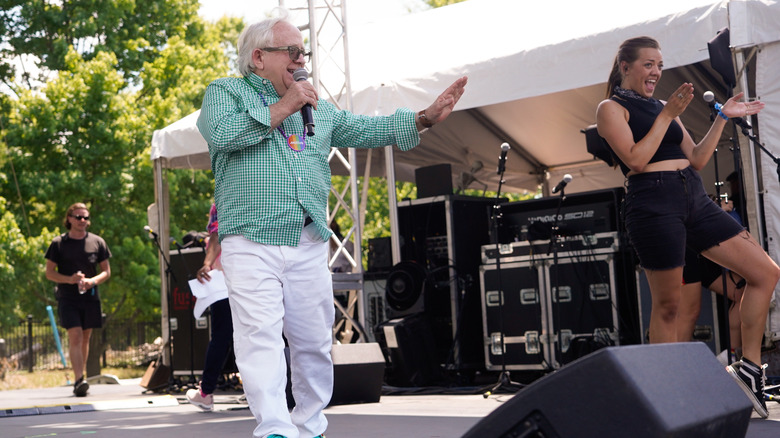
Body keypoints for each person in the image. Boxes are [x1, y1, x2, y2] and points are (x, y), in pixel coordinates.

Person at [196, 7, 467, 438]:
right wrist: (286, 106)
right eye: (291, 51)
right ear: (258, 58)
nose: (301, 60)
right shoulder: (226, 92)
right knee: (259, 337)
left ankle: (310, 424)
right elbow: (223, 134)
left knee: (313, 341)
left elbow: (363, 129)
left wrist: (422, 119)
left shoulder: (315, 106)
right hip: (250, 240)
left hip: (306, 239)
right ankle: (274, 428)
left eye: (303, 51)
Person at [596, 36, 780, 418]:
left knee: (765, 272)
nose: (656, 72)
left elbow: (696, 158)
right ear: (626, 66)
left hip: (693, 196)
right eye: (649, 64)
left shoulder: (665, 106)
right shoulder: (610, 108)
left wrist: (722, 118)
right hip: (652, 202)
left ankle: (748, 368)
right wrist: (665, 116)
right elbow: (635, 160)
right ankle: (661, 395)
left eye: (660, 65)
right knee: (668, 306)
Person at [44, 202, 112, 397]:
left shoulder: (97, 242)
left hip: (89, 296)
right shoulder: (58, 243)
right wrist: (69, 280)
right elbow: (49, 273)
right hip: (68, 297)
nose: (82, 221)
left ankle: (80, 377)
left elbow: (106, 271)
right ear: (69, 219)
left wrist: (92, 281)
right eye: (78, 217)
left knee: (85, 337)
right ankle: (78, 380)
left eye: (85, 217)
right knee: (75, 335)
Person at [186, 203, 234, 412]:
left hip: (225, 279)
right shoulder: (268, 188)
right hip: (259, 276)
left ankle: (205, 393)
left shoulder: (223, 198)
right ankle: (265, 392)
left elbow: (215, 236)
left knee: (222, 336)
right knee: (260, 334)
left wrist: (207, 263)